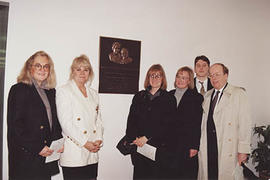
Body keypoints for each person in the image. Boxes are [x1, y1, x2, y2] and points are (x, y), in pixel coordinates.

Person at [7, 51, 63, 180]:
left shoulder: (50, 91)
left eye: (46, 66)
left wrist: (58, 143)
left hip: (45, 155)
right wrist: (37, 147)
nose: (42, 69)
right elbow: (16, 126)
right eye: (38, 65)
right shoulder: (19, 89)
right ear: (30, 67)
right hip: (27, 156)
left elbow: (54, 122)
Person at [198, 63, 251, 180]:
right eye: (211, 75)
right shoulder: (207, 96)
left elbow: (245, 124)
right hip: (209, 145)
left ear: (226, 75)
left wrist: (243, 150)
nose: (214, 78)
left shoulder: (238, 94)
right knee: (210, 175)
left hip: (228, 147)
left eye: (217, 74)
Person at [125, 64, 177, 180]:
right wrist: (133, 139)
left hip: (158, 149)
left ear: (162, 78)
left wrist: (147, 137)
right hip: (139, 147)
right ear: (148, 78)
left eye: (158, 75)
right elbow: (131, 120)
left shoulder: (169, 98)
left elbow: (167, 124)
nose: (154, 78)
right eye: (151, 75)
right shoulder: (139, 96)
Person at [56, 55, 103, 180]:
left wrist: (98, 139)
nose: (82, 73)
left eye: (86, 69)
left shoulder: (93, 93)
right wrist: (84, 143)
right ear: (73, 71)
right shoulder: (64, 91)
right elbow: (66, 124)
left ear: (90, 72)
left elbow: (98, 120)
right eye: (78, 69)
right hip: (75, 152)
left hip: (92, 151)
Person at [169, 66, 203, 179]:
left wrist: (194, 146)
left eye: (184, 78)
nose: (179, 79)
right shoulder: (168, 95)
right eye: (178, 76)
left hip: (186, 145)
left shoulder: (196, 98)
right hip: (168, 144)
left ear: (189, 81)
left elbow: (197, 124)